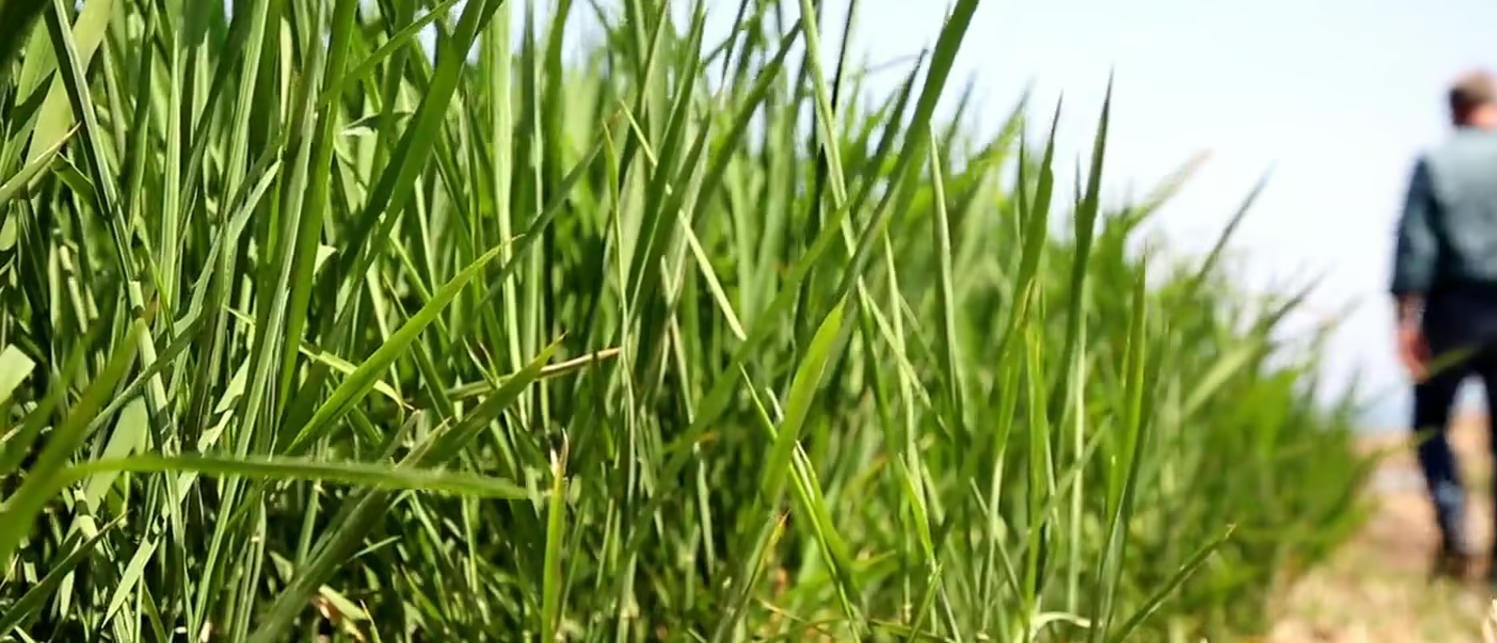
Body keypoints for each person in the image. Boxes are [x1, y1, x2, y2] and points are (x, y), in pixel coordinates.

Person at [1391, 68, 1497, 583]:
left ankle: (1456, 528)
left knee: (1431, 424)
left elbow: (1415, 243)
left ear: (1453, 110)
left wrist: (1405, 320)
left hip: (1452, 309)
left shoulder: (1435, 163)